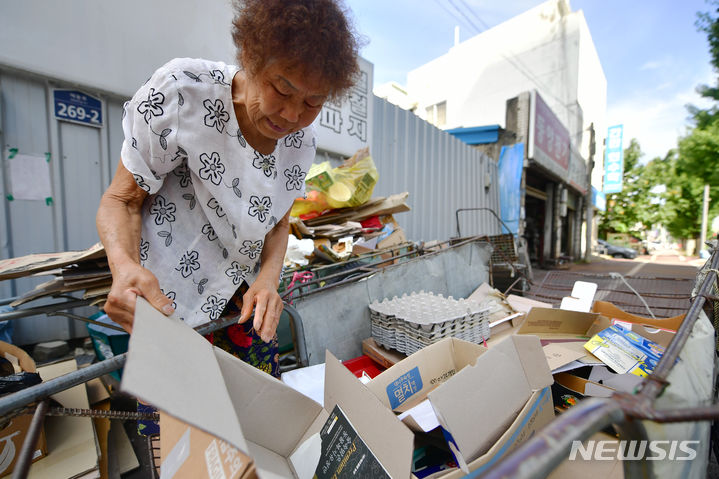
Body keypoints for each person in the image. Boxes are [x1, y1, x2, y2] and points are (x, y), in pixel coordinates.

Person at [96, 0, 359, 389]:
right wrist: (123, 266)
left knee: (260, 427)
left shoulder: (300, 141)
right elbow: (122, 200)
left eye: (311, 103)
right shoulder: (182, 94)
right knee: (181, 439)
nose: (290, 115)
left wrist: (267, 280)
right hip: (167, 309)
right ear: (250, 57)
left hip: (239, 313)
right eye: (281, 89)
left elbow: (280, 221)